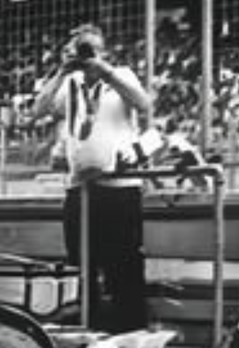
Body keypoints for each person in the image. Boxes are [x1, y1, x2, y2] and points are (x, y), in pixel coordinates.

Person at [34, 24, 152, 330]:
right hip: (80, 189)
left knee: (123, 264)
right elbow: (39, 109)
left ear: (103, 53)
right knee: (80, 264)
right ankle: (90, 328)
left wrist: (106, 72)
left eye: (90, 51)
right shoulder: (70, 82)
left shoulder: (121, 75)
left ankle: (131, 330)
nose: (85, 57)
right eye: (80, 51)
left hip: (118, 187)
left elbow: (144, 104)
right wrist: (61, 71)